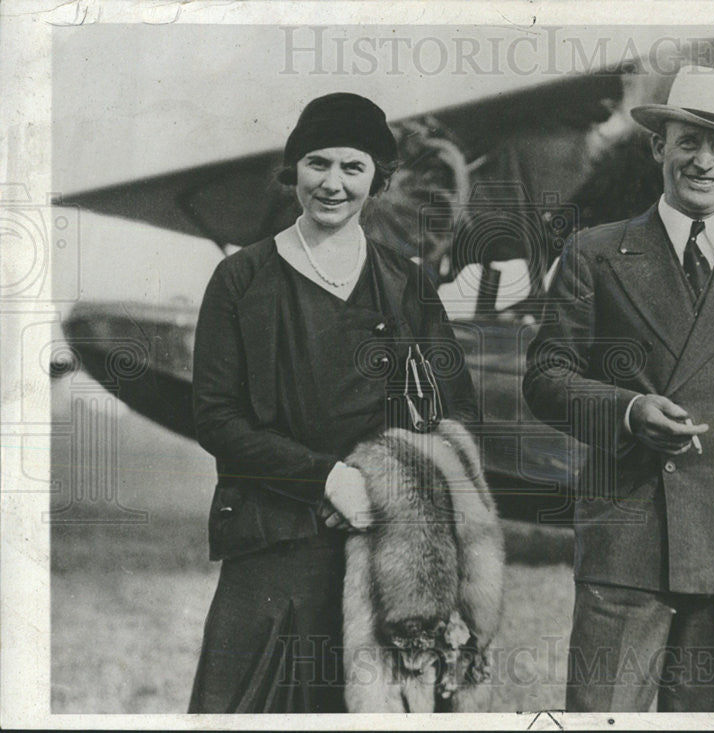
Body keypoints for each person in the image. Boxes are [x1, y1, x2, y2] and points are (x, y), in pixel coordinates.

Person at [523, 65, 714, 712]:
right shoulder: (594, 251)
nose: (704, 161)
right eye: (689, 140)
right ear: (658, 145)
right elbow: (546, 377)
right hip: (626, 532)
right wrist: (628, 410)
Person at [188, 92, 478, 713]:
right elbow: (215, 415)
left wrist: (383, 486)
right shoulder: (242, 278)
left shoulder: (407, 281)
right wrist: (324, 479)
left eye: (354, 167)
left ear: (377, 179)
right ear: (293, 170)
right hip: (274, 542)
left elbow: (456, 414)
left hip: (384, 554)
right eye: (318, 163)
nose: (333, 183)